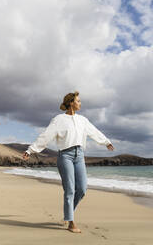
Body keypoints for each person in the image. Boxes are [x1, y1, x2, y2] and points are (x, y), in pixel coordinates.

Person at [22, 91, 114, 233]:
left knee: (82, 189)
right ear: (71, 102)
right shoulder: (59, 119)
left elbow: (94, 131)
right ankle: (71, 222)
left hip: (79, 156)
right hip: (65, 156)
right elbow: (46, 136)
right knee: (70, 189)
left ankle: (68, 213)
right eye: (78, 101)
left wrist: (106, 142)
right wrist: (30, 150)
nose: (80, 103)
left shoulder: (83, 120)